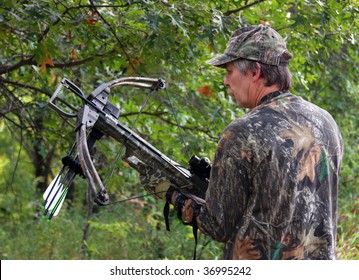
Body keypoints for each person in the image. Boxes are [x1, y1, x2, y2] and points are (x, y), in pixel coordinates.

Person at [141, 24, 344, 260]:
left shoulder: (242, 132)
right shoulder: (325, 121)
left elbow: (217, 225)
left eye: (229, 71)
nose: (226, 82)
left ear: (255, 71)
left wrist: (169, 192)